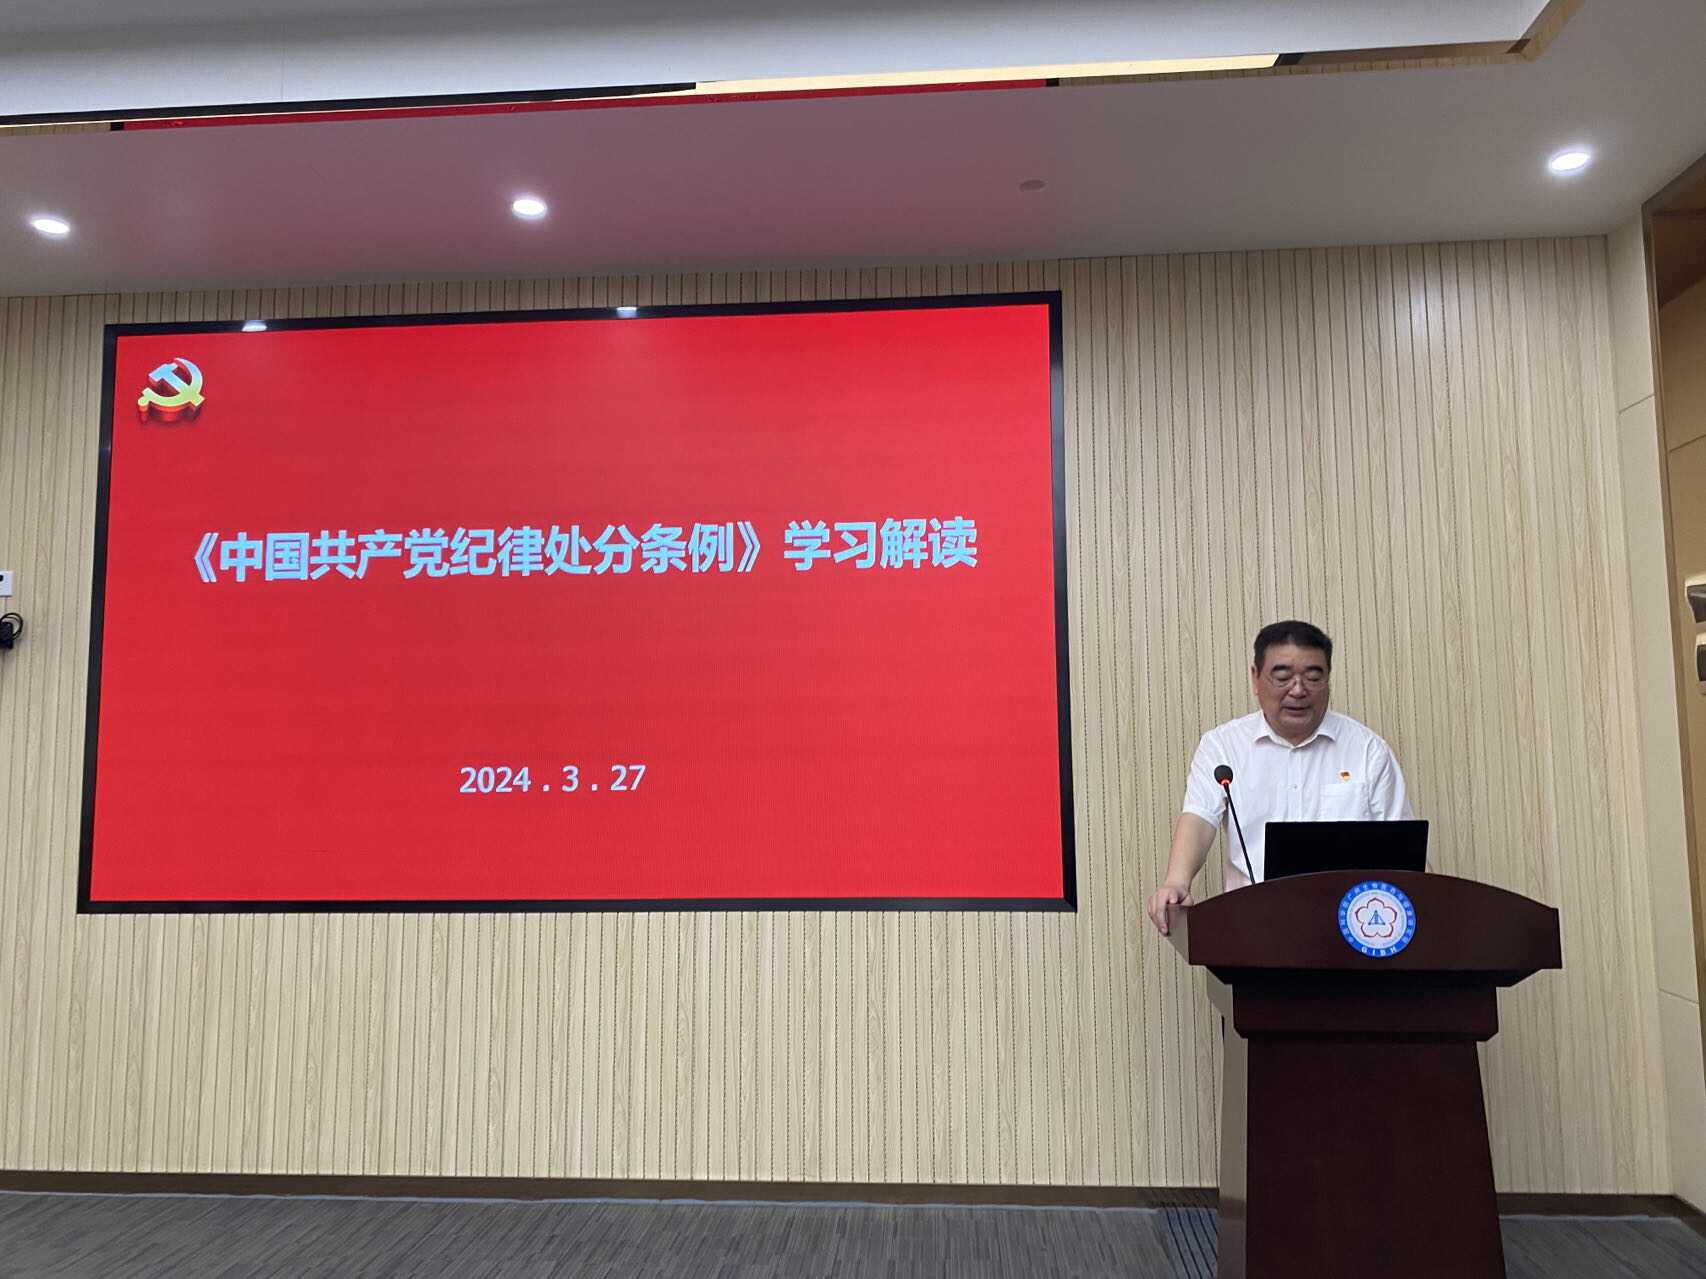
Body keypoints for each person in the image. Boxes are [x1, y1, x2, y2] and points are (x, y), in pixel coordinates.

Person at [1145, 619, 1413, 935]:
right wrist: (1177, 881)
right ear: (1256, 678)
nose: (1298, 690)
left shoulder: (1367, 750)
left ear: (1328, 679)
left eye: (1313, 677)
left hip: (1351, 931)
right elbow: (1199, 819)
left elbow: (1404, 848)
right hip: (1255, 929)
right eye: (1283, 676)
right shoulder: (1223, 746)